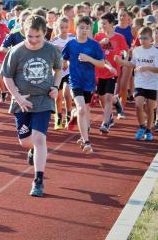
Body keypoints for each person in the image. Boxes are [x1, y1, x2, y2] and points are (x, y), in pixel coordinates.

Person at [1, 15, 62, 197]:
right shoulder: (17, 51)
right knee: (25, 141)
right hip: (23, 101)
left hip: (43, 99)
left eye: (38, 37)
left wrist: (56, 87)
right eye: (30, 37)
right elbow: (7, 76)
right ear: (24, 33)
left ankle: (38, 180)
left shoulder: (51, 50)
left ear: (45, 33)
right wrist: (18, 97)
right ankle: (32, 150)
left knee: (39, 139)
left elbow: (58, 69)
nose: (34, 41)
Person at [61, 16, 110, 153]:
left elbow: (101, 63)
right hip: (75, 81)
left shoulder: (94, 45)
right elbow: (63, 61)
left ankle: (75, 115)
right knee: (83, 109)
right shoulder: (70, 44)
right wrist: (62, 65)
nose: (84, 30)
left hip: (88, 82)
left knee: (84, 110)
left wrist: (88, 58)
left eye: (87, 28)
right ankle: (86, 141)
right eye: (81, 28)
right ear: (75, 29)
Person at [94, 13, 128, 133]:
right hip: (99, 71)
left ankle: (105, 123)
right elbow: (92, 51)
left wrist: (123, 59)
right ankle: (115, 105)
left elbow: (126, 51)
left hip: (113, 72)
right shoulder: (98, 36)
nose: (102, 25)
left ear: (111, 24)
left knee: (107, 97)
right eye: (101, 23)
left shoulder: (119, 37)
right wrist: (100, 43)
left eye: (104, 23)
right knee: (101, 98)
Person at [129, 27, 158, 141]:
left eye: (145, 38)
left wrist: (146, 67)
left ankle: (148, 130)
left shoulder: (156, 52)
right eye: (140, 38)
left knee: (149, 108)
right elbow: (133, 63)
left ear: (151, 38)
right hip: (139, 82)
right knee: (138, 105)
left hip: (152, 84)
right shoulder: (136, 50)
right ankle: (141, 126)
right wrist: (121, 61)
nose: (142, 40)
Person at [49, 17, 74, 129]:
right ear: (57, 27)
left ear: (69, 27)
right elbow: (51, 56)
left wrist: (68, 61)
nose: (64, 29)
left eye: (66, 27)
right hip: (58, 71)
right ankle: (58, 118)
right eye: (61, 27)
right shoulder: (54, 41)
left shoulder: (72, 39)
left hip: (70, 70)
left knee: (67, 94)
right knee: (58, 97)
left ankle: (69, 115)